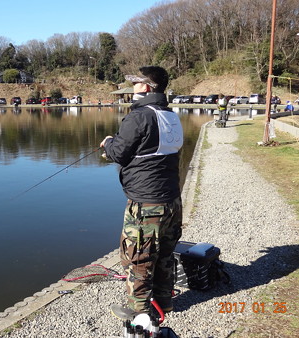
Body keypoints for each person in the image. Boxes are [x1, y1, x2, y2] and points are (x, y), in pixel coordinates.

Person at [100, 66, 184, 320]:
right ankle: (164, 303)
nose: (133, 87)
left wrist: (108, 143)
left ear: (146, 87)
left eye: (135, 83)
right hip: (172, 200)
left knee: (139, 258)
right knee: (165, 255)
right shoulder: (170, 115)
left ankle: (140, 312)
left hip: (146, 204)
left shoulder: (139, 117)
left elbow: (119, 153)